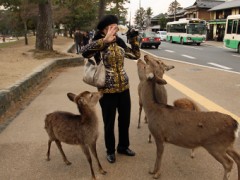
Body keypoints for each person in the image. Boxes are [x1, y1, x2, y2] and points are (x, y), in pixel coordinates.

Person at [82, 15, 140, 164]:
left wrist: (133, 39)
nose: (115, 30)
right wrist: (104, 41)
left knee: (125, 120)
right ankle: (110, 151)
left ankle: (123, 146)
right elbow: (84, 52)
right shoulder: (97, 42)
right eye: (111, 27)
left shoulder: (119, 42)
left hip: (124, 88)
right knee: (109, 122)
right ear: (104, 30)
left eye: (116, 27)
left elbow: (135, 55)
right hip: (106, 91)